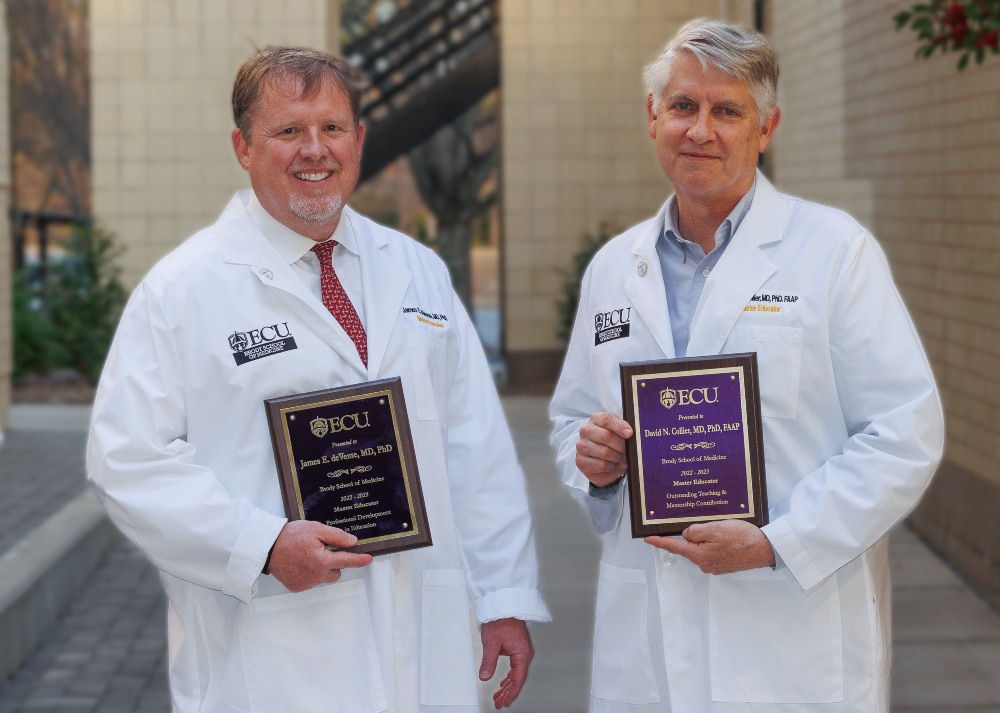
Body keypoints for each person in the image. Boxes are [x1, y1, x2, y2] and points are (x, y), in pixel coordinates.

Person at [87, 46, 550, 713]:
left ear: (359, 140)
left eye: (332, 128)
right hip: (274, 650)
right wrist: (261, 544)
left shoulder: (416, 271)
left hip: (426, 637)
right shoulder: (182, 291)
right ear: (243, 148)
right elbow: (127, 459)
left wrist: (503, 596)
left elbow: (474, 448)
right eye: (288, 131)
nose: (315, 150)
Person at [549, 18, 944, 712]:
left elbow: (905, 433)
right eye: (682, 106)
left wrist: (777, 541)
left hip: (789, 633)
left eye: (726, 110)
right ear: (653, 117)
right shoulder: (615, 267)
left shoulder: (834, 252)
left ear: (766, 128)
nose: (700, 129)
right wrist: (593, 461)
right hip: (648, 642)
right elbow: (573, 417)